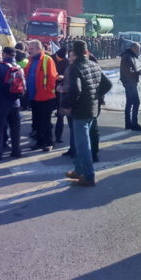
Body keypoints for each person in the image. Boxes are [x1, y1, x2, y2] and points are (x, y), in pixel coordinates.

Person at [61, 40, 104, 187]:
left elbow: (76, 90)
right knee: (83, 143)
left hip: (81, 111)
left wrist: (66, 105)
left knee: (83, 145)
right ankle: (79, 170)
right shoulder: (94, 64)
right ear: (86, 52)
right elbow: (107, 84)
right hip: (92, 108)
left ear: (74, 53)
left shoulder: (75, 67)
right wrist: (94, 96)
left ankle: (89, 176)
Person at [25, 40, 58, 152]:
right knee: (37, 121)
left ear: (39, 49)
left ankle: (49, 142)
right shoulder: (30, 61)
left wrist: (47, 91)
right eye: (29, 48)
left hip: (45, 97)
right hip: (34, 97)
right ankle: (39, 142)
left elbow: (52, 78)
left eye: (31, 49)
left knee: (46, 122)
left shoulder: (47, 60)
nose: (29, 51)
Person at [119, 41, 141, 131]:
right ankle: (133, 124)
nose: (139, 51)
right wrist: (137, 73)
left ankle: (129, 123)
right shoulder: (127, 57)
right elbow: (128, 72)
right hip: (129, 83)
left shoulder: (129, 56)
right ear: (134, 48)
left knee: (129, 103)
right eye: (138, 49)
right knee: (136, 102)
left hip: (129, 82)